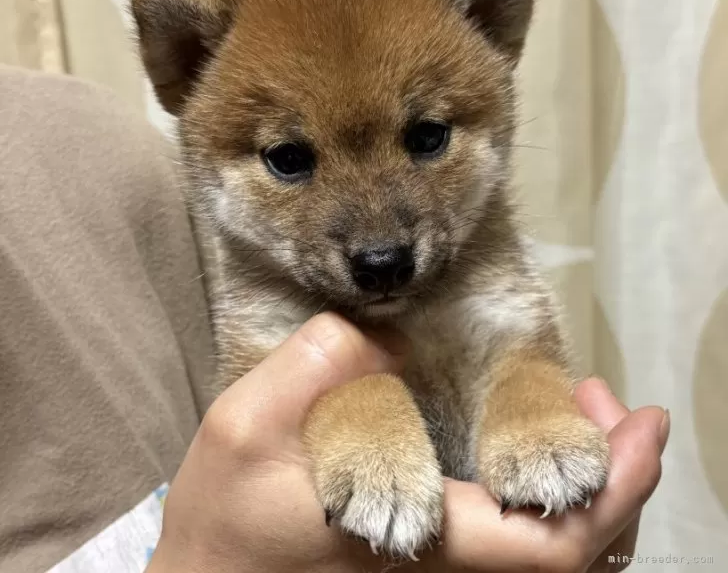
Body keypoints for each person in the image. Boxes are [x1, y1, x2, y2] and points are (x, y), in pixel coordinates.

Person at [0, 68, 668, 573]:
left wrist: (529, 411)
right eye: (290, 159)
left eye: (425, 137)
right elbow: (271, 410)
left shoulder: (81, 134)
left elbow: (515, 356)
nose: (379, 240)